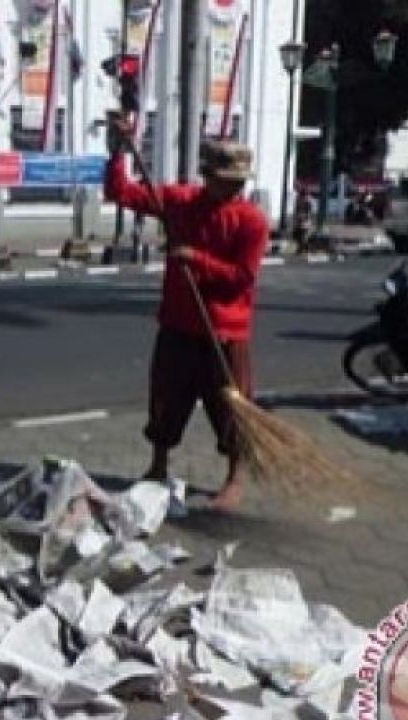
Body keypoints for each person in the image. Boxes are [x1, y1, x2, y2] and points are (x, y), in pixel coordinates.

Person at [104, 122, 270, 512]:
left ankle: (235, 478)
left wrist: (197, 260)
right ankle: (158, 467)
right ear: (206, 176)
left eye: (238, 181)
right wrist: (118, 151)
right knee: (166, 400)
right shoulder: (180, 202)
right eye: (223, 180)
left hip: (225, 331)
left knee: (232, 406)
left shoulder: (251, 221)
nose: (232, 188)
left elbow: (242, 278)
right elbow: (121, 192)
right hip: (178, 325)